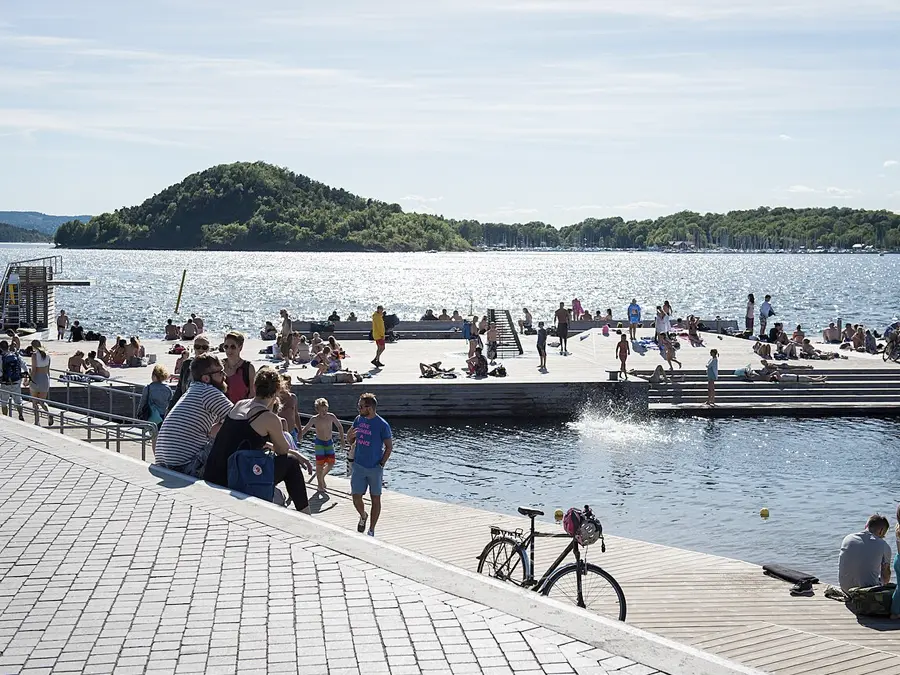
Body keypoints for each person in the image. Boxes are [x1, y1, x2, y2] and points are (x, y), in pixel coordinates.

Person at [204, 367, 312, 513]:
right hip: (232, 478)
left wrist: (294, 453)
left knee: (291, 458)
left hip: (213, 473)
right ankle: (306, 515)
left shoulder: (239, 405)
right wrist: (295, 454)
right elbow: (283, 451)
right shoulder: (269, 417)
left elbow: (245, 440)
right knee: (291, 463)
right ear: (277, 392)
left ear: (254, 387)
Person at [154, 353, 233, 476]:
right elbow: (238, 419)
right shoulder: (208, 391)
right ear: (206, 378)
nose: (224, 376)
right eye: (220, 372)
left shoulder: (192, 390)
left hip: (162, 464)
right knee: (230, 432)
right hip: (185, 466)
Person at [348, 393, 392, 537]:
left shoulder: (382, 425)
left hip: (375, 467)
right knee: (356, 497)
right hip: (359, 465)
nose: (358, 409)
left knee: (375, 498)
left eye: (361, 406)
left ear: (370, 408)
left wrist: (381, 464)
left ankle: (371, 529)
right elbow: (351, 440)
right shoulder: (358, 420)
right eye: (358, 406)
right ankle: (363, 515)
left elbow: (389, 446)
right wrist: (349, 438)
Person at [300, 397, 346, 494]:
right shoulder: (314, 419)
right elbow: (306, 428)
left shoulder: (331, 416)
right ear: (317, 410)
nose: (324, 412)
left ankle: (322, 477)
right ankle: (320, 485)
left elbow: (340, 427)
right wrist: (299, 437)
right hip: (319, 443)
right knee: (319, 464)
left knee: (331, 462)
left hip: (329, 442)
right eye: (322, 411)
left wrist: (342, 440)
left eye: (326, 410)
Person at [839, 514, 892, 593]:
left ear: (866, 525)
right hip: (868, 593)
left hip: (846, 589)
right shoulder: (883, 545)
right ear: (881, 531)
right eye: (883, 535)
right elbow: (886, 577)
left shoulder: (848, 538)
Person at [221, 331, 255, 405]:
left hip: (241, 411)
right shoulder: (219, 366)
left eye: (233, 347)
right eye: (226, 347)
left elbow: (252, 395)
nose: (229, 350)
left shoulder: (248, 368)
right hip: (221, 411)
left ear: (240, 347)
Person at [0, 340, 26, 421]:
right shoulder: (16, 355)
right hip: (16, 381)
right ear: (8, 347)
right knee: (18, 400)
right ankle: (20, 415)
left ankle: (6, 417)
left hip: (5, 382)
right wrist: (26, 376)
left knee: (4, 401)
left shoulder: (1, 357)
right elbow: (24, 365)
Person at [29, 340, 52, 425]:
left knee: (35, 402)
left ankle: (37, 421)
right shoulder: (47, 355)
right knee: (42, 402)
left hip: (36, 378)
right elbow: (48, 370)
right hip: (45, 379)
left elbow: (34, 370)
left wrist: (29, 380)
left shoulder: (34, 355)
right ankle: (49, 414)